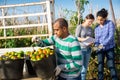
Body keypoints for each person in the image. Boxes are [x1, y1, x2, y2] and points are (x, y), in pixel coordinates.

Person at [94, 8, 118, 80]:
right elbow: (97, 39)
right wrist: (96, 46)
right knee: (100, 66)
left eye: (101, 19)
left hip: (109, 48)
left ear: (105, 18)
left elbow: (110, 36)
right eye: (98, 19)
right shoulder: (96, 28)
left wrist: (102, 45)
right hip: (99, 48)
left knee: (111, 65)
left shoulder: (110, 23)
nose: (99, 21)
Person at [75, 14, 95, 80]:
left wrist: (91, 42)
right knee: (79, 68)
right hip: (81, 49)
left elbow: (91, 38)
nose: (90, 23)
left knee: (85, 69)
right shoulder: (80, 27)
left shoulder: (91, 29)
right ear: (85, 19)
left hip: (88, 50)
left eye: (92, 22)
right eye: (89, 21)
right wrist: (84, 39)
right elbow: (76, 38)